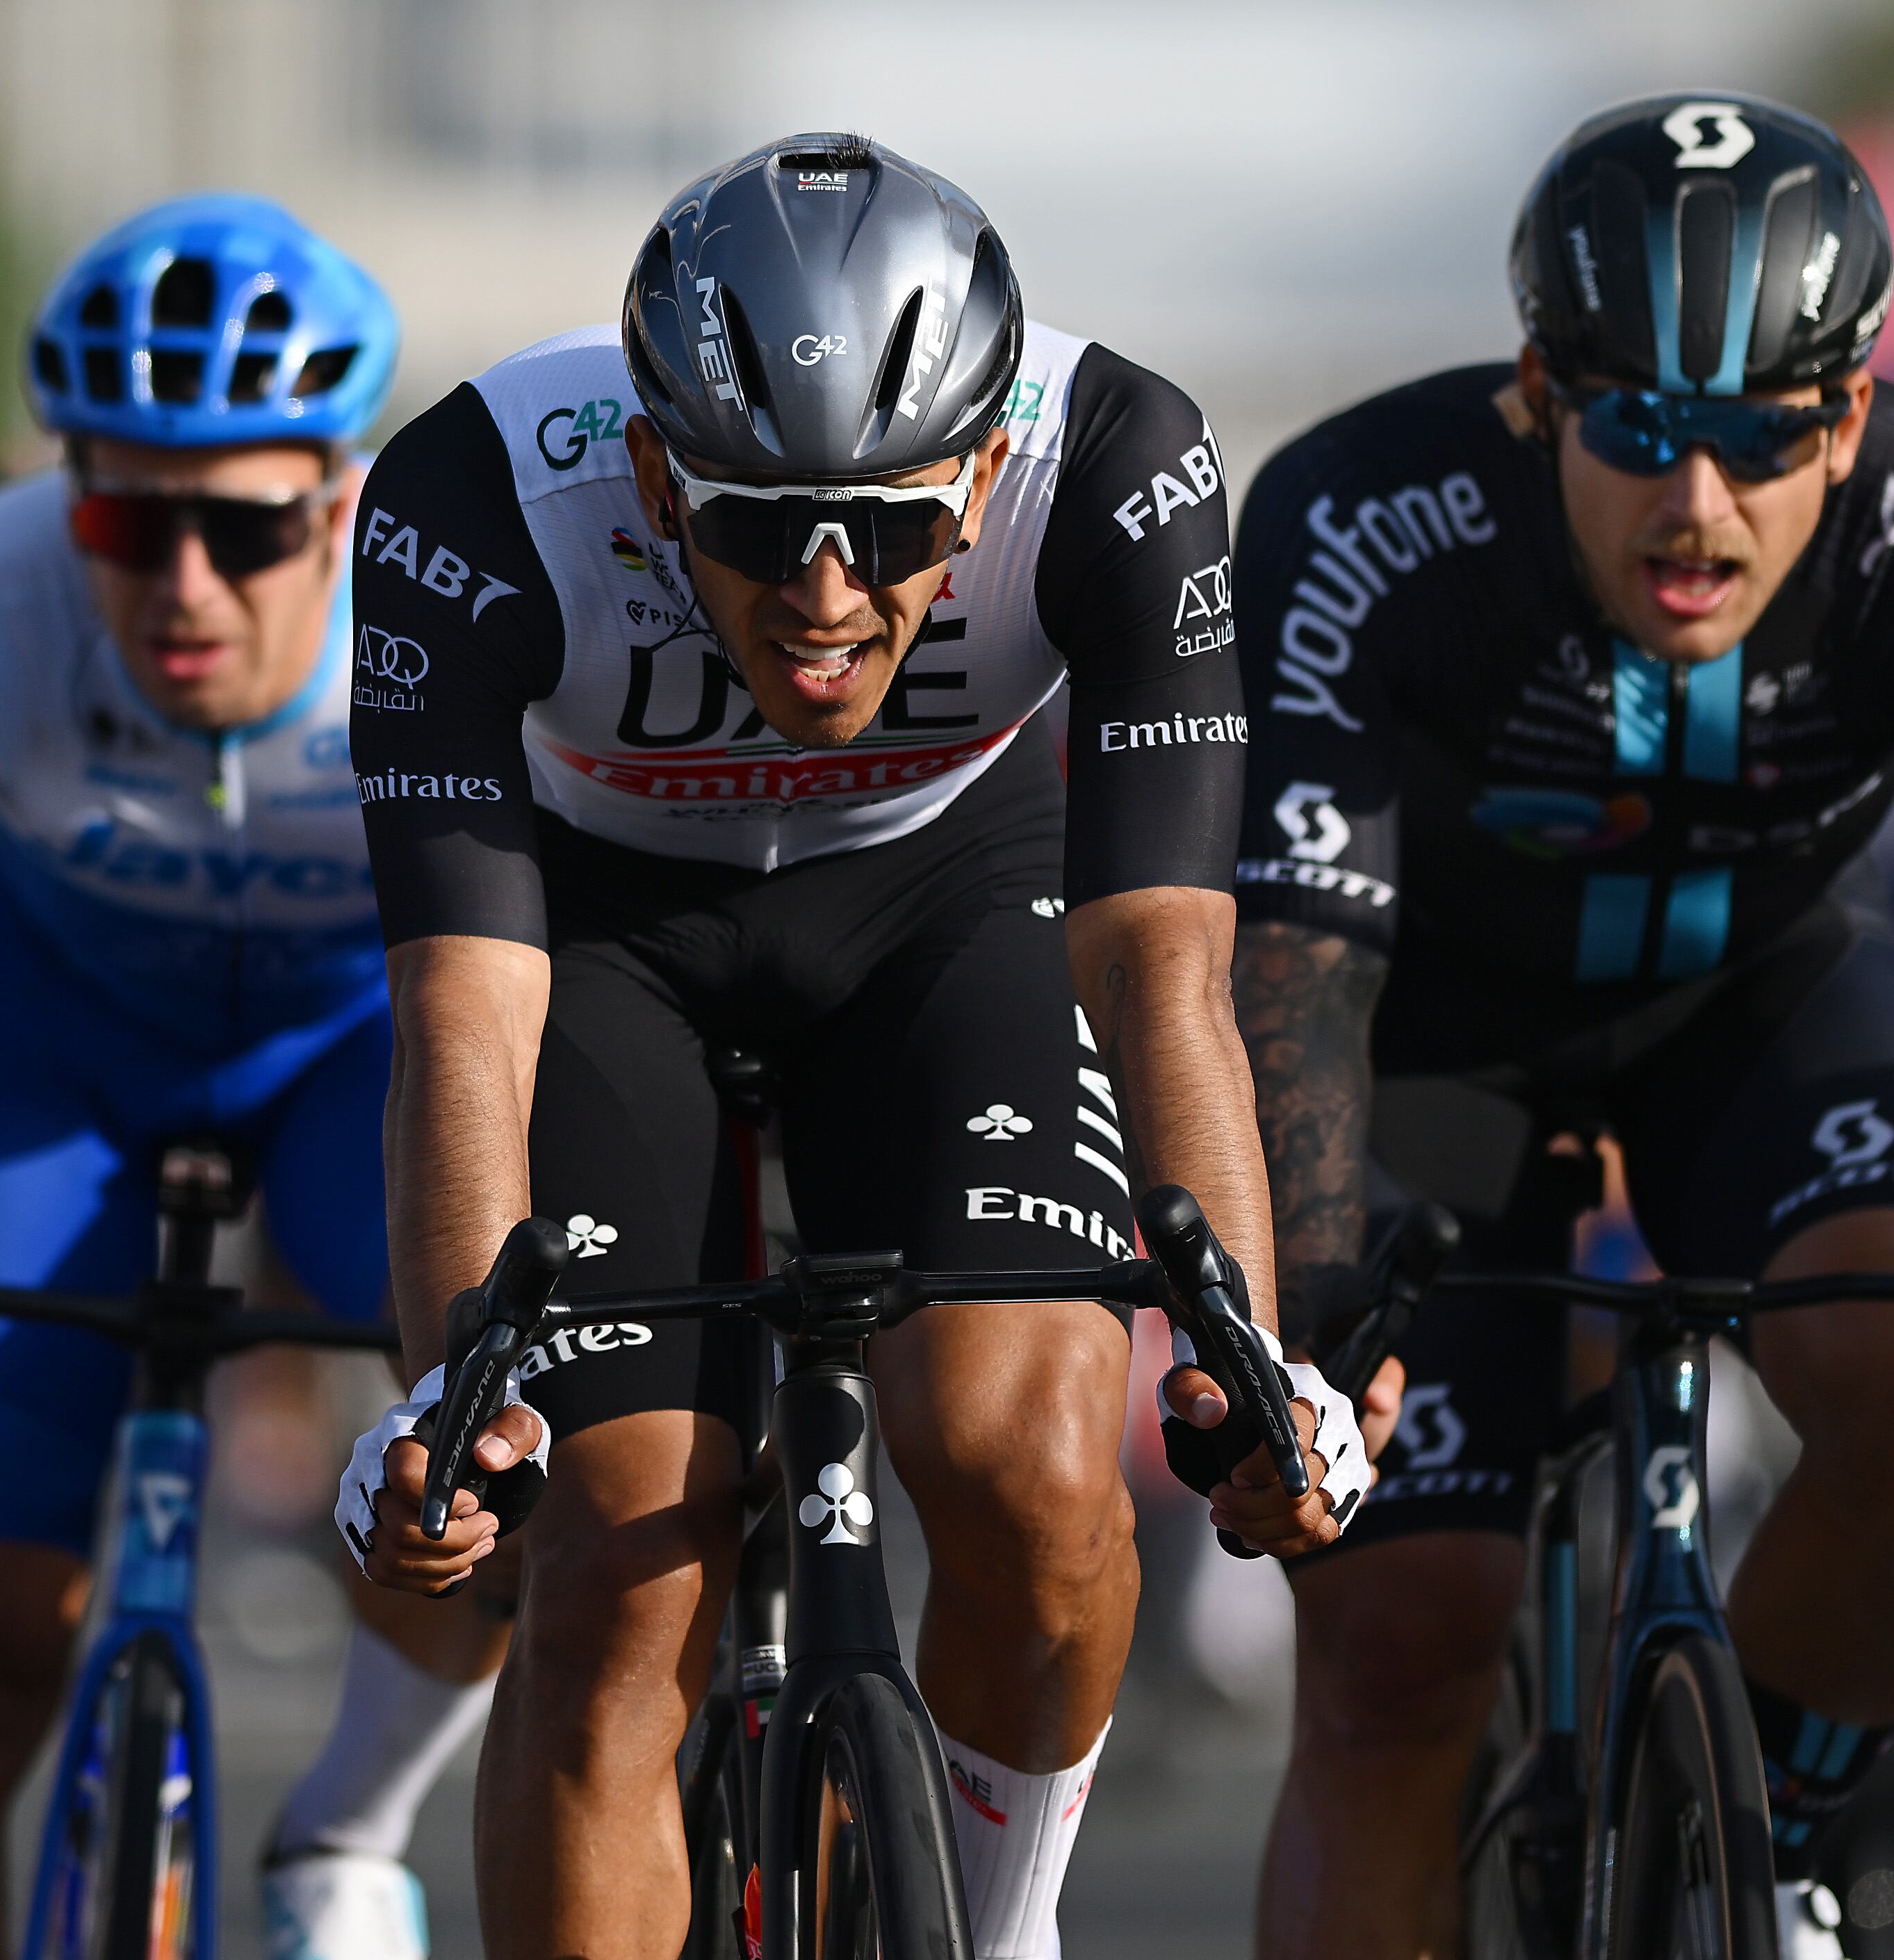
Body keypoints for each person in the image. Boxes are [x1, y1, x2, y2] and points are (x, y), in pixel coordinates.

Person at [331, 131, 1366, 1960]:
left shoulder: (1118, 460)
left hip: (940, 898)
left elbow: (1165, 972)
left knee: (1032, 1469)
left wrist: (1242, 1358)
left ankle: (1006, 1924)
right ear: (652, 472)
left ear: (980, 475)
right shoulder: (472, 492)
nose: (822, 596)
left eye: (889, 529)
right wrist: (451, 1398)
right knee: (609, 1557)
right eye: (749, 522)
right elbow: (465, 1014)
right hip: (600, 932)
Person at [1226, 96, 1894, 1959]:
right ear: (1533, 391)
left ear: (1841, 415)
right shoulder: (1356, 513)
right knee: (1396, 1643)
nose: (1693, 503)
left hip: (1754, 1013)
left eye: (1756, 435)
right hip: (1437, 1054)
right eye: (1639, 428)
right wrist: (1318, 1318)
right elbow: (1300, 980)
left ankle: (1761, 1831)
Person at [0, 194, 500, 1960]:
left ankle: (344, 1830)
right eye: (125, 521)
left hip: (351, 1051)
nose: (184, 585)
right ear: (60, 493)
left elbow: (514, 1015)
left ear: (345, 502)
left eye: (242, 526)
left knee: (511, 1445)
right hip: (52, 1062)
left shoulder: (446, 613)